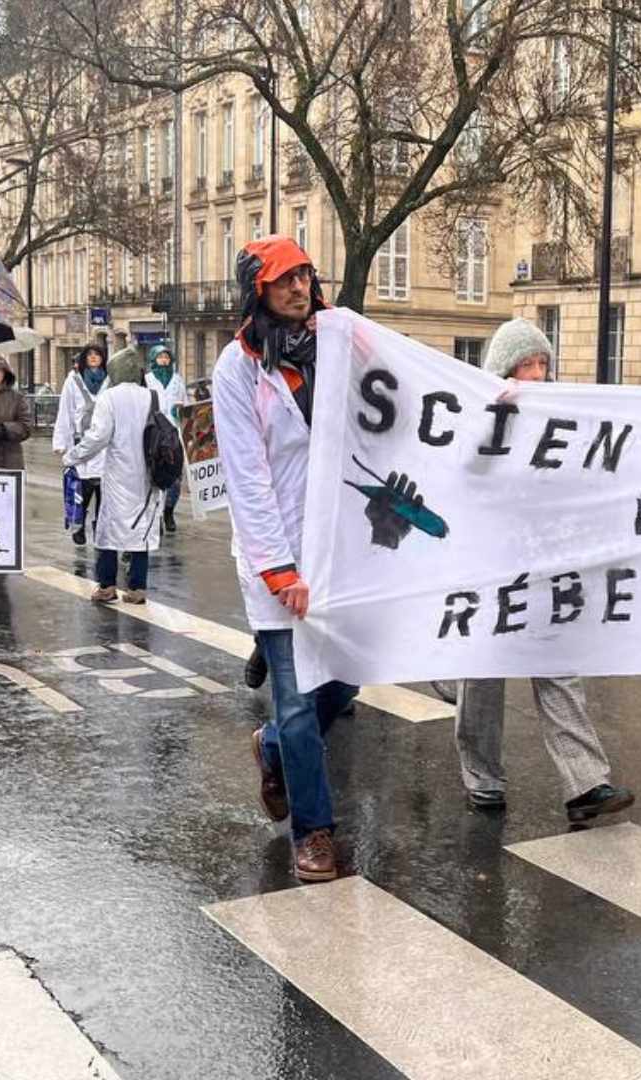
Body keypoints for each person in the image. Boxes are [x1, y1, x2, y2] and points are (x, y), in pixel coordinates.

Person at [213, 235, 362, 882]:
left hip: (344, 551)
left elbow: (409, 402)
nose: (299, 288)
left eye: (304, 275)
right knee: (298, 700)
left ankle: (271, 749)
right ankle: (315, 832)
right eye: (283, 281)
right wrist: (279, 568)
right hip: (277, 554)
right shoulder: (236, 369)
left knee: (348, 680)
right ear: (258, 291)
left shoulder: (344, 342)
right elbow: (247, 476)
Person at [454, 319, 635, 821]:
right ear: (504, 370)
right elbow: (462, 474)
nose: (537, 373)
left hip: (547, 562)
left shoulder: (560, 420)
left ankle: (586, 784)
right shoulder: (479, 417)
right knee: (484, 677)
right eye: (526, 364)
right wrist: (496, 419)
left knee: (559, 666)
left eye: (542, 364)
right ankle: (483, 777)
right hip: (490, 566)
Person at [63, 347, 159, 603]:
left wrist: (72, 456)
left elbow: (98, 437)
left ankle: (107, 585)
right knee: (142, 530)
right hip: (148, 475)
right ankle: (137, 588)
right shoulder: (152, 395)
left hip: (118, 473)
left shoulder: (109, 397)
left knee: (107, 529)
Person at [53, 344, 108, 545]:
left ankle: (100, 526)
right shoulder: (73, 380)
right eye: (90, 355)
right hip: (81, 442)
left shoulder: (109, 380)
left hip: (103, 443)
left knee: (103, 489)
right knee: (82, 489)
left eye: (97, 355)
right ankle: (79, 524)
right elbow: (65, 411)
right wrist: (61, 442)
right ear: (84, 358)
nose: (93, 358)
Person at [145, 344, 188, 533]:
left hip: (174, 433)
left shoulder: (178, 380)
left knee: (174, 476)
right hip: (155, 433)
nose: (163, 360)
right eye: (160, 357)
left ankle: (169, 511)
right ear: (153, 359)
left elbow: (185, 404)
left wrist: (181, 412)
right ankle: (156, 515)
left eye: (166, 357)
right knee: (155, 474)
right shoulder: (147, 380)